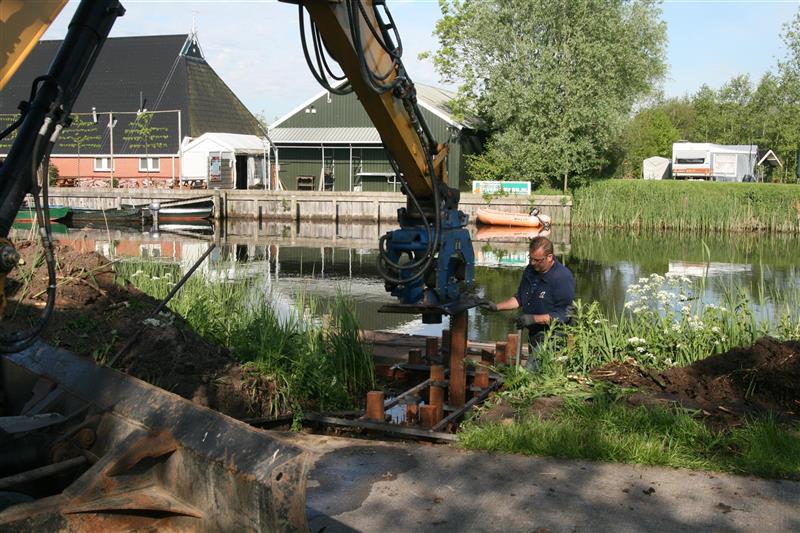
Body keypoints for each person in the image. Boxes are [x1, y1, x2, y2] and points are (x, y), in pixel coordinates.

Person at [480, 236, 575, 371]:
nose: (532, 263)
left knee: (531, 371)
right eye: (530, 258)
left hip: (553, 335)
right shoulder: (531, 270)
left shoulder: (562, 277)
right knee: (536, 370)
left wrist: (533, 319)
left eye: (537, 260)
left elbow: (563, 314)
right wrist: (496, 307)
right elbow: (520, 298)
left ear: (549, 257)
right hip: (534, 332)